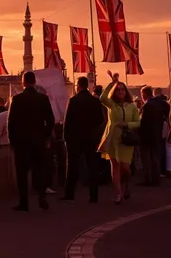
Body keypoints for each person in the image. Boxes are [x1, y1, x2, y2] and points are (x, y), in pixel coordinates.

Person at [8, 71, 55, 211]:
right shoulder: (43, 99)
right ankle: (41, 197)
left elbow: (11, 123)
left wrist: (12, 141)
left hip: (21, 143)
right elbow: (51, 120)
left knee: (22, 173)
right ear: (35, 82)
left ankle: (24, 202)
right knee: (39, 170)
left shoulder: (16, 99)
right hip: (39, 141)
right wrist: (46, 136)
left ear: (23, 83)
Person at [97, 71, 140, 204]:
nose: (120, 91)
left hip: (126, 140)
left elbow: (138, 122)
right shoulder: (111, 105)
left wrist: (126, 124)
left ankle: (126, 184)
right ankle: (118, 193)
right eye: (118, 89)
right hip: (113, 139)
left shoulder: (132, 106)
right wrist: (113, 82)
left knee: (125, 168)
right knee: (115, 165)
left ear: (125, 92)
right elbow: (102, 97)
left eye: (122, 89)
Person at [61, 77, 104, 203]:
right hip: (91, 138)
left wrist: (66, 137)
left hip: (75, 138)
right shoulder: (95, 101)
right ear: (87, 86)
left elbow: (67, 122)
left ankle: (69, 194)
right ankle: (94, 195)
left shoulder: (73, 100)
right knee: (92, 166)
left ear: (78, 86)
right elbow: (100, 120)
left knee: (72, 166)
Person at [138, 86, 164, 186]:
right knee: (155, 157)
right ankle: (156, 178)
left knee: (146, 158)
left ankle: (147, 179)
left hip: (146, 135)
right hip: (156, 133)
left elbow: (142, 122)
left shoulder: (147, 106)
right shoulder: (158, 104)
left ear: (144, 94)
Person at [153, 88, 171, 177]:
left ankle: (161, 169)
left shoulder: (155, 103)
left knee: (160, 148)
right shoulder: (166, 104)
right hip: (167, 126)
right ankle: (168, 168)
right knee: (167, 148)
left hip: (159, 126)